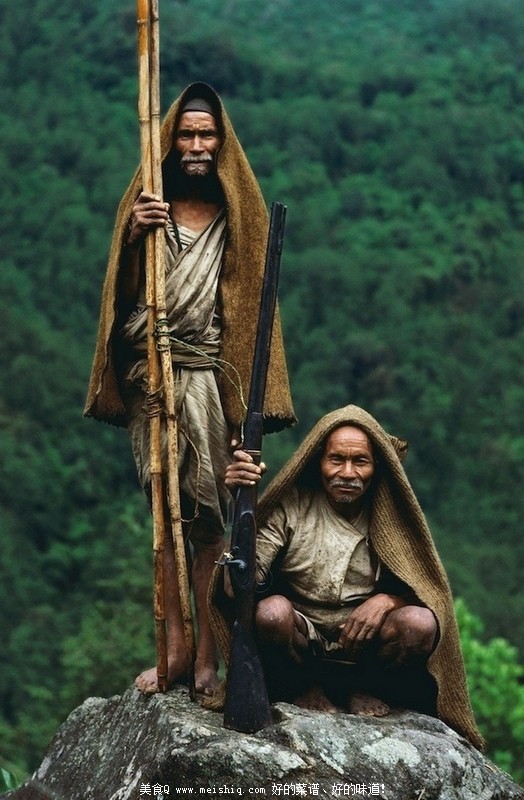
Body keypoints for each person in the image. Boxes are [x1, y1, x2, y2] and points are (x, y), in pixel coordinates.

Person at [84, 82, 296, 696]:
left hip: (207, 382)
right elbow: (119, 303)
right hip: (153, 380)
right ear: (171, 141)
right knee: (163, 513)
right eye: (187, 134)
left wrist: (240, 418)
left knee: (208, 522)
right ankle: (173, 648)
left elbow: (248, 319)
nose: (197, 145)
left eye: (207, 136)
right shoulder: (147, 210)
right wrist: (132, 234)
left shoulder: (238, 217)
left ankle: (208, 656)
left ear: (221, 144)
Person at [216, 404, 483, 749]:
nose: (347, 472)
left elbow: (427, 592)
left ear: (376, 467)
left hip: (363, 646)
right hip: (301, 638)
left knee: (419, 624)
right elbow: (239, 586)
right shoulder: (293, 505)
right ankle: (303, 687)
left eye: (360, 461)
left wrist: (388, 600)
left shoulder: (389, 513)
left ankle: (364, 687)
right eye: (336, 459)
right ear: (318, 462)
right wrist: (240, 506)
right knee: (271, 614)